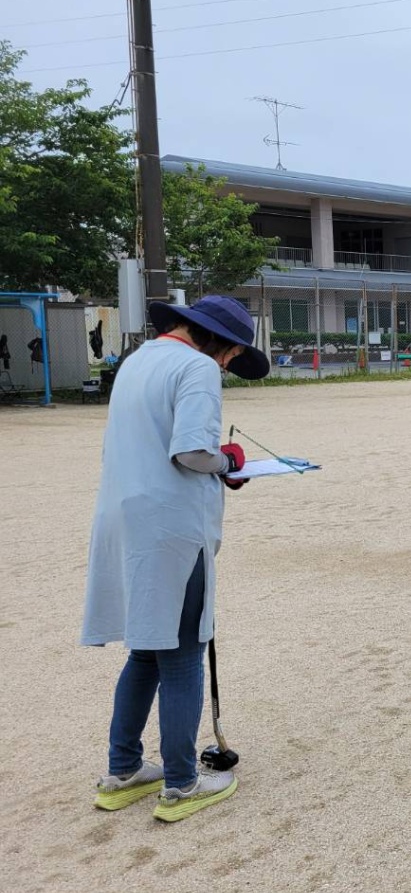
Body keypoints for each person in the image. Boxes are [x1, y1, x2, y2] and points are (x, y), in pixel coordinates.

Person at [82, 295, 269, 822]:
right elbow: (190, 452)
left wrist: (217, 463)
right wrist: (230, 460)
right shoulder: (197, 368)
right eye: (233, 356)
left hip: (126, 516)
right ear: (223, 344)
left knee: (145, 650)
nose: (229, 366)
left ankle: (122, 772)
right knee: (185, 651)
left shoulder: (139, 360)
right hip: (172, 528)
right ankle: (183, 782)